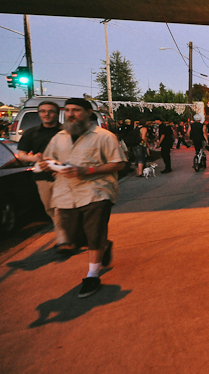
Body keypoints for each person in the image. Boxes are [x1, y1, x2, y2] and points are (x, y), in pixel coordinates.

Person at [39, 98, 127, 298]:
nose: (70, 114)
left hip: (97, 191)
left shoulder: (104, 136)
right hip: (65, 193)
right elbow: (48, 158)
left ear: (88, 113)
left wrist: (87, 170)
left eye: (76, 110)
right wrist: (47, 164)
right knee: (72, 238)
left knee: (94, 231)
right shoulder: (58, 138)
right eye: (68, 110)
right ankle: (104, 245)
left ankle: (92, 275)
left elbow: (119, 164)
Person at [16, 100, 69, 248]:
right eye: (43, 111)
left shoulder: (66, 131)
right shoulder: (31, 133)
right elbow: (21, 154)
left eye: (50, 111)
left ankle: (63, 238)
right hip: (42, 176)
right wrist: (34, 158)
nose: (46, 114)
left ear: (57, 114)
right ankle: (66, 233)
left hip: (63, 174)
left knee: (61, 207)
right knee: (50, 208)